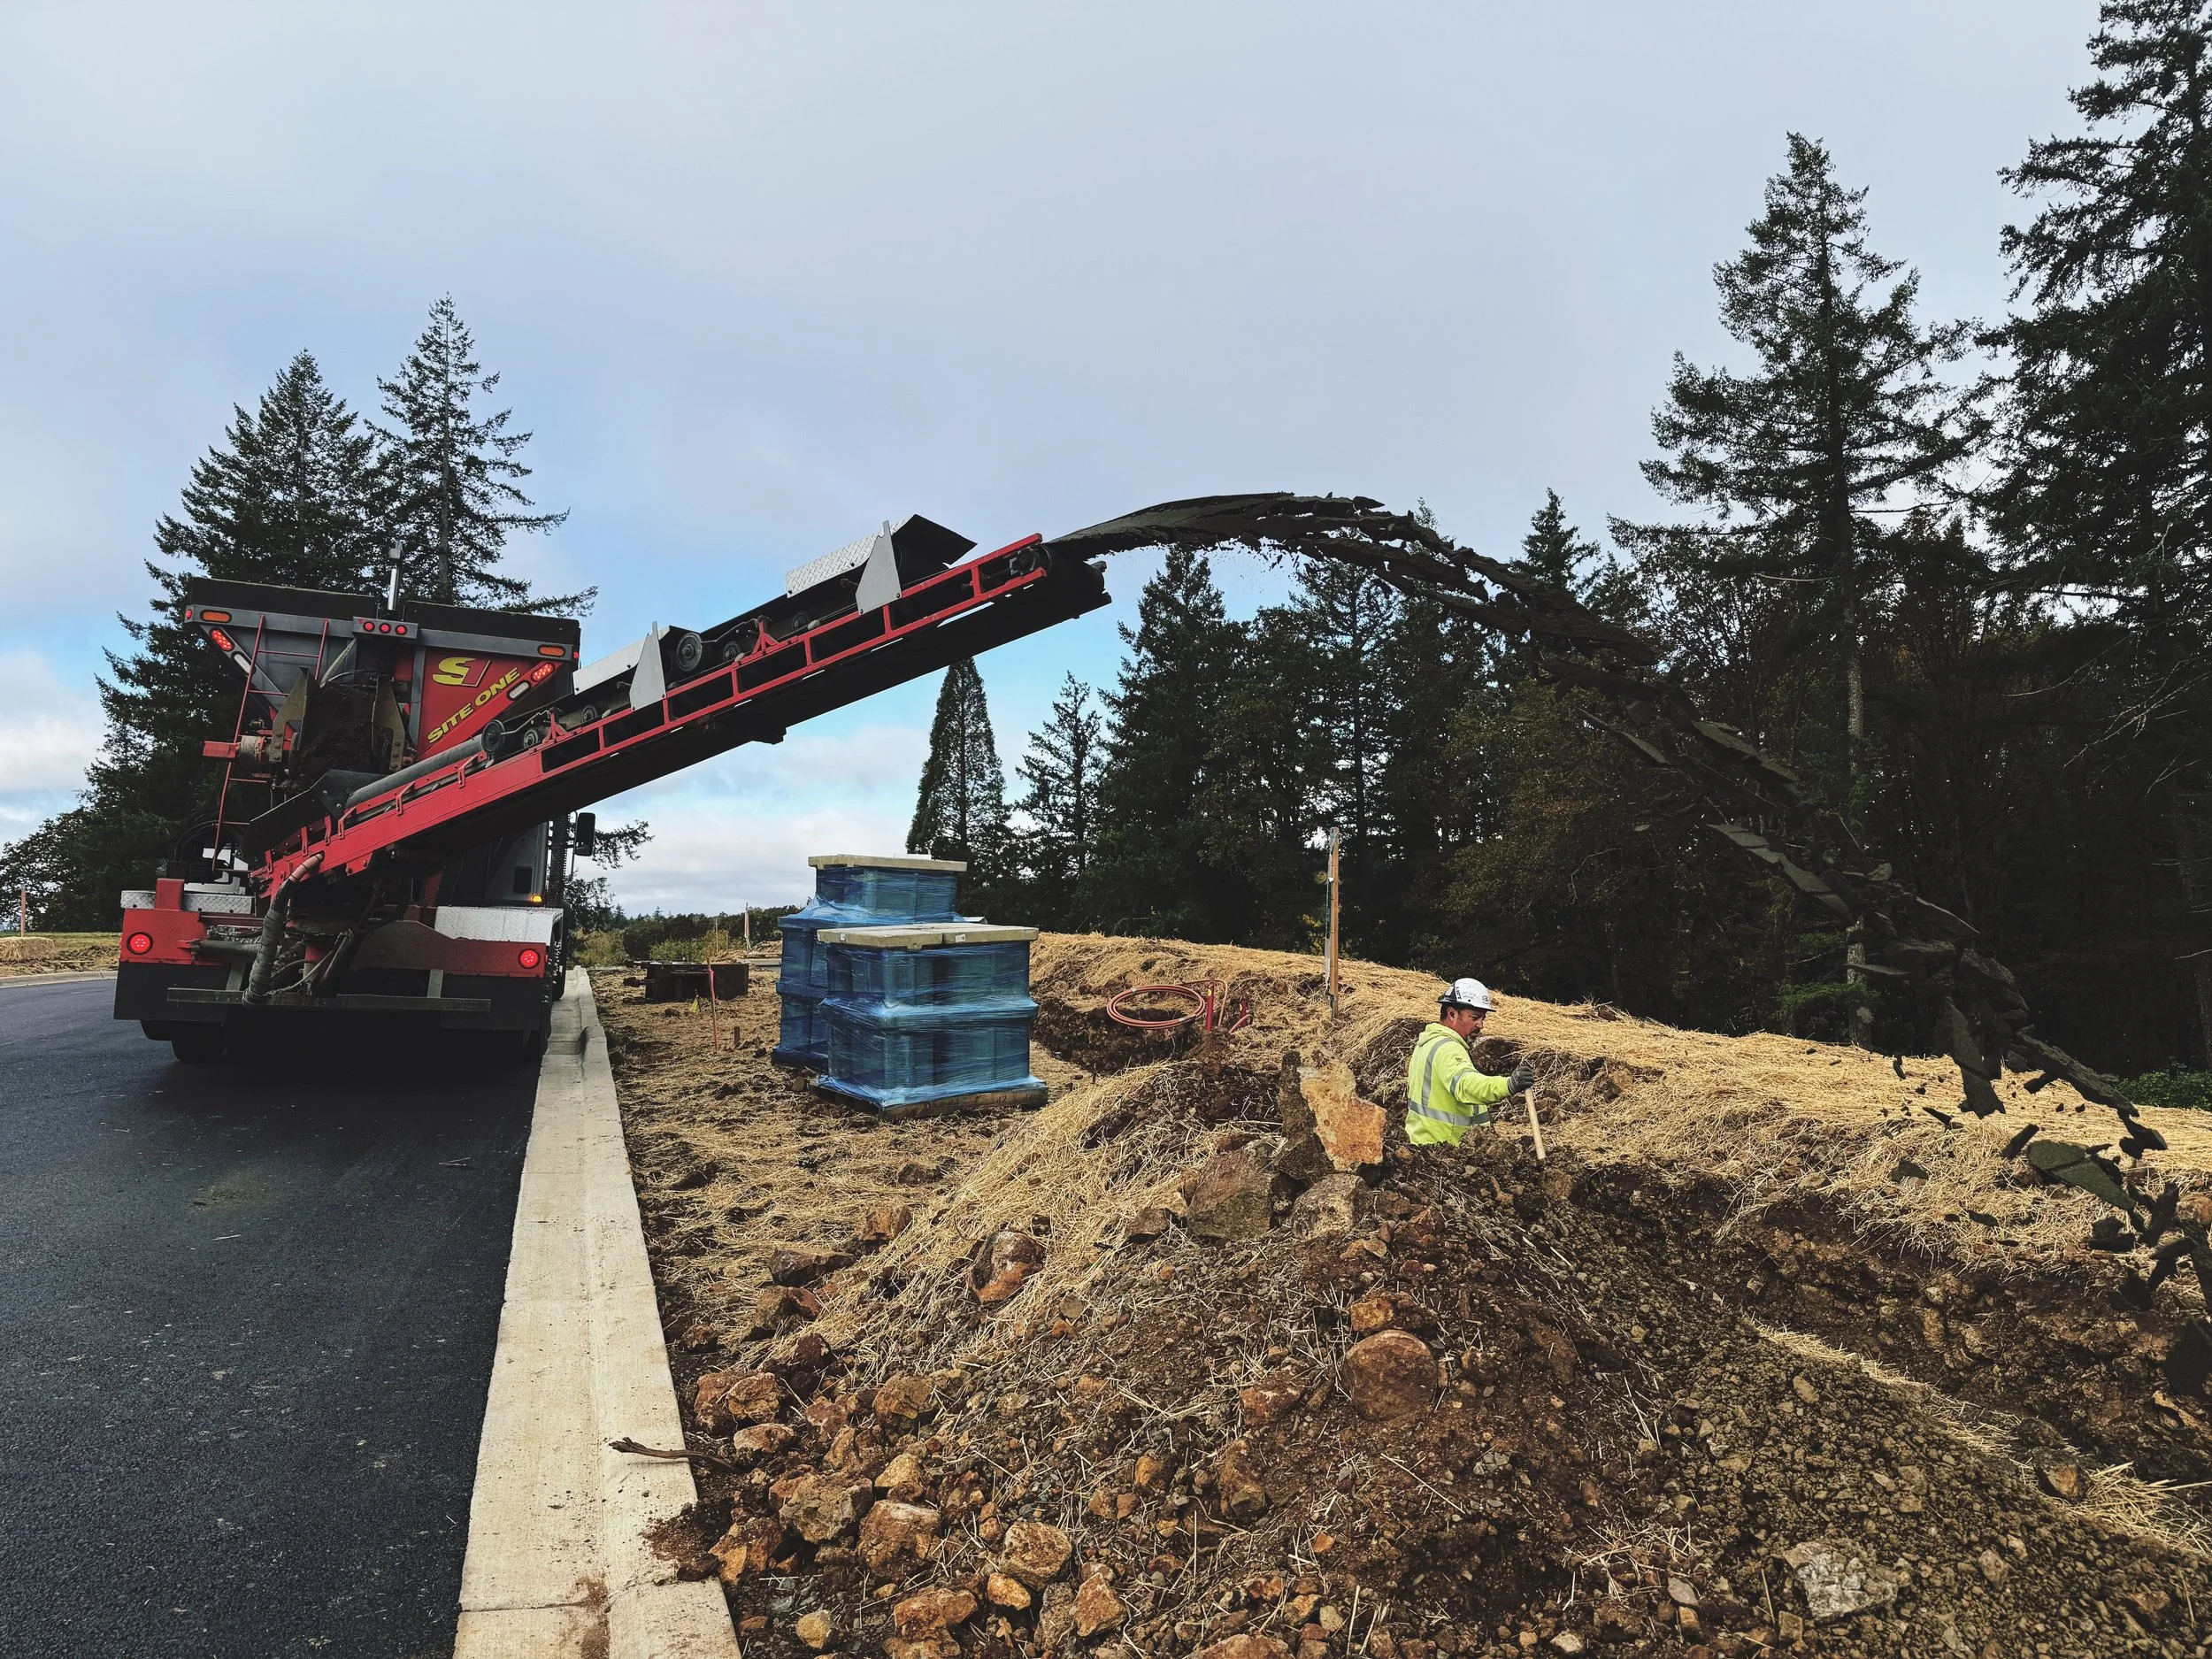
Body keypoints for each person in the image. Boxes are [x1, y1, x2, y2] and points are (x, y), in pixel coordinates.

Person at [1404, 978, 1534, 1148]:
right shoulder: (1448, 1049)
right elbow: (1466, 1085)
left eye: (1483, 1018)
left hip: (1425, 1149)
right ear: (1452, 1014)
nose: (1480, 1025)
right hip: (1447, 1151)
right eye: (1474, 1018)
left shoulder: (1429, 1043)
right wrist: (1509, 1084)